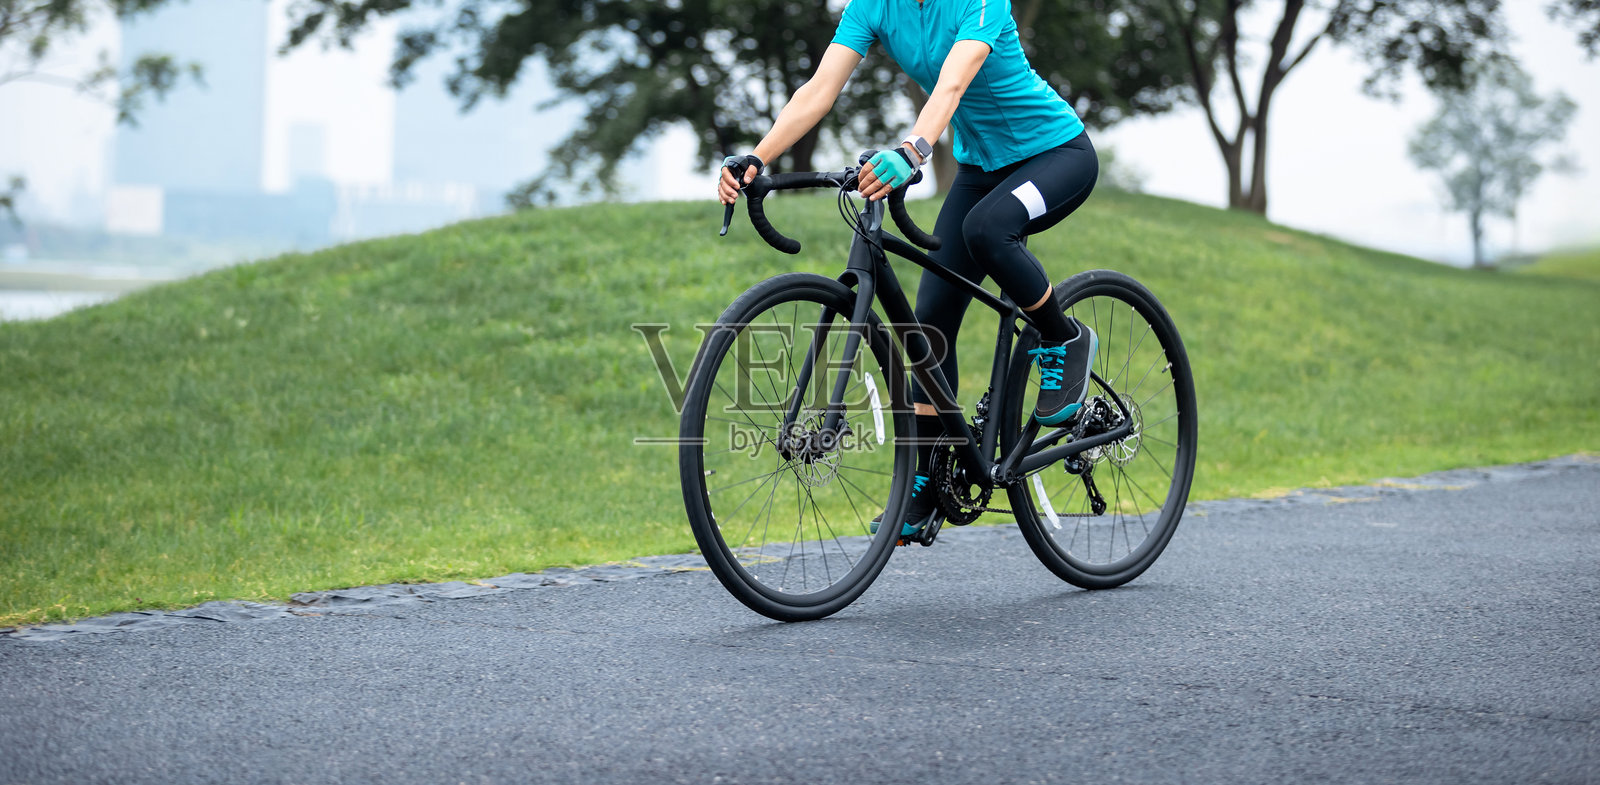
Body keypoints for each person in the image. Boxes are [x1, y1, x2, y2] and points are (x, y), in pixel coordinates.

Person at [716, 0, 1099, 537]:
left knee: (988, 230)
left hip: (1055, 156)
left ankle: (1064, 337)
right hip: (979, 169)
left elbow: (952, 83)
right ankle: (929, 483)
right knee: (929, 328)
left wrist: (912, 150)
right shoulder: (872, 7)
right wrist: (760, 156)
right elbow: (819, 91)